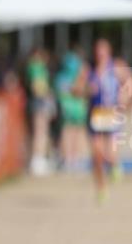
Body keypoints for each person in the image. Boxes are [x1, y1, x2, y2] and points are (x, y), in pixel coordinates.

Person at [74, 38, 132, 202]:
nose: (100, 53)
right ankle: (101, 188)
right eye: (98, 50)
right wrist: (86, 90)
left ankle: (114, 165)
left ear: (109, 51)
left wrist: (124, 98)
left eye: (103, 49)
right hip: (95, 116)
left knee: (110, 154)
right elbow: (75, 89)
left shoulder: (117, 66)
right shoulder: (88, 69)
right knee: (97, 156)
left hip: (112, 114)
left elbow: (131, 83)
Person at [54, 50, 89, 171]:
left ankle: (72, 158)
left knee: (73, 133)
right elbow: (78, 91)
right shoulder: (72, 76)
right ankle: (69, 158)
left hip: (73, 108)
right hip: (71, 108)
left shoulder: (62, 77)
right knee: (69, 133)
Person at [25, 47, 55, 176]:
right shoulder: (35, 68)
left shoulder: (38, 68)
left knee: (42, 132)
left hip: (41, 102)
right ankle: (37, 160)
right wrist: (46, 96)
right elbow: (37, 87)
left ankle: (40, 159)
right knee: (39, 132)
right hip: (39, 102)